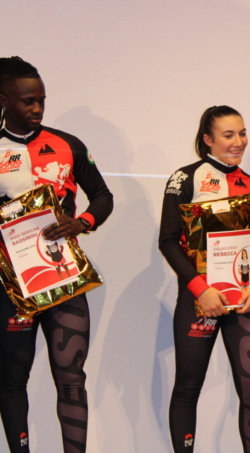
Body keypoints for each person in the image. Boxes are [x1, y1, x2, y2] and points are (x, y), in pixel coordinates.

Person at [0, 56, 114, 452]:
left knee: (71, 378)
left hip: (64, 277)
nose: (37, 108)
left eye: (42, 100)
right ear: (3, 100)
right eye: (28, 101)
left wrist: (81, 223)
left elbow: (103, 196)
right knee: (12, 378)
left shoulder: (68, 144)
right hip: (12, 284)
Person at [159, 105, 250, 452]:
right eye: (228, 135)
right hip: (200, 301)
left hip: (244, 301)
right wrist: (200, 289)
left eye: (243, 133)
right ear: (208, 139)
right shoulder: (185, 178)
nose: (239, 141)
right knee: (188, 387)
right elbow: (168, 240)